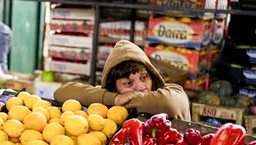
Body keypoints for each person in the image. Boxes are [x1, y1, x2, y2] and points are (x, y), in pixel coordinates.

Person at [54, 40, 191, 121]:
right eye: (128, 83)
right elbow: (61, 92)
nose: (141, 87)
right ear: (114, 88)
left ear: (152, 75)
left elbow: (169, 104)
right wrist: (113, 99)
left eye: (144, 77)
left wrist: (126, 101)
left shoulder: (174, 91)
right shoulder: (112, 96)